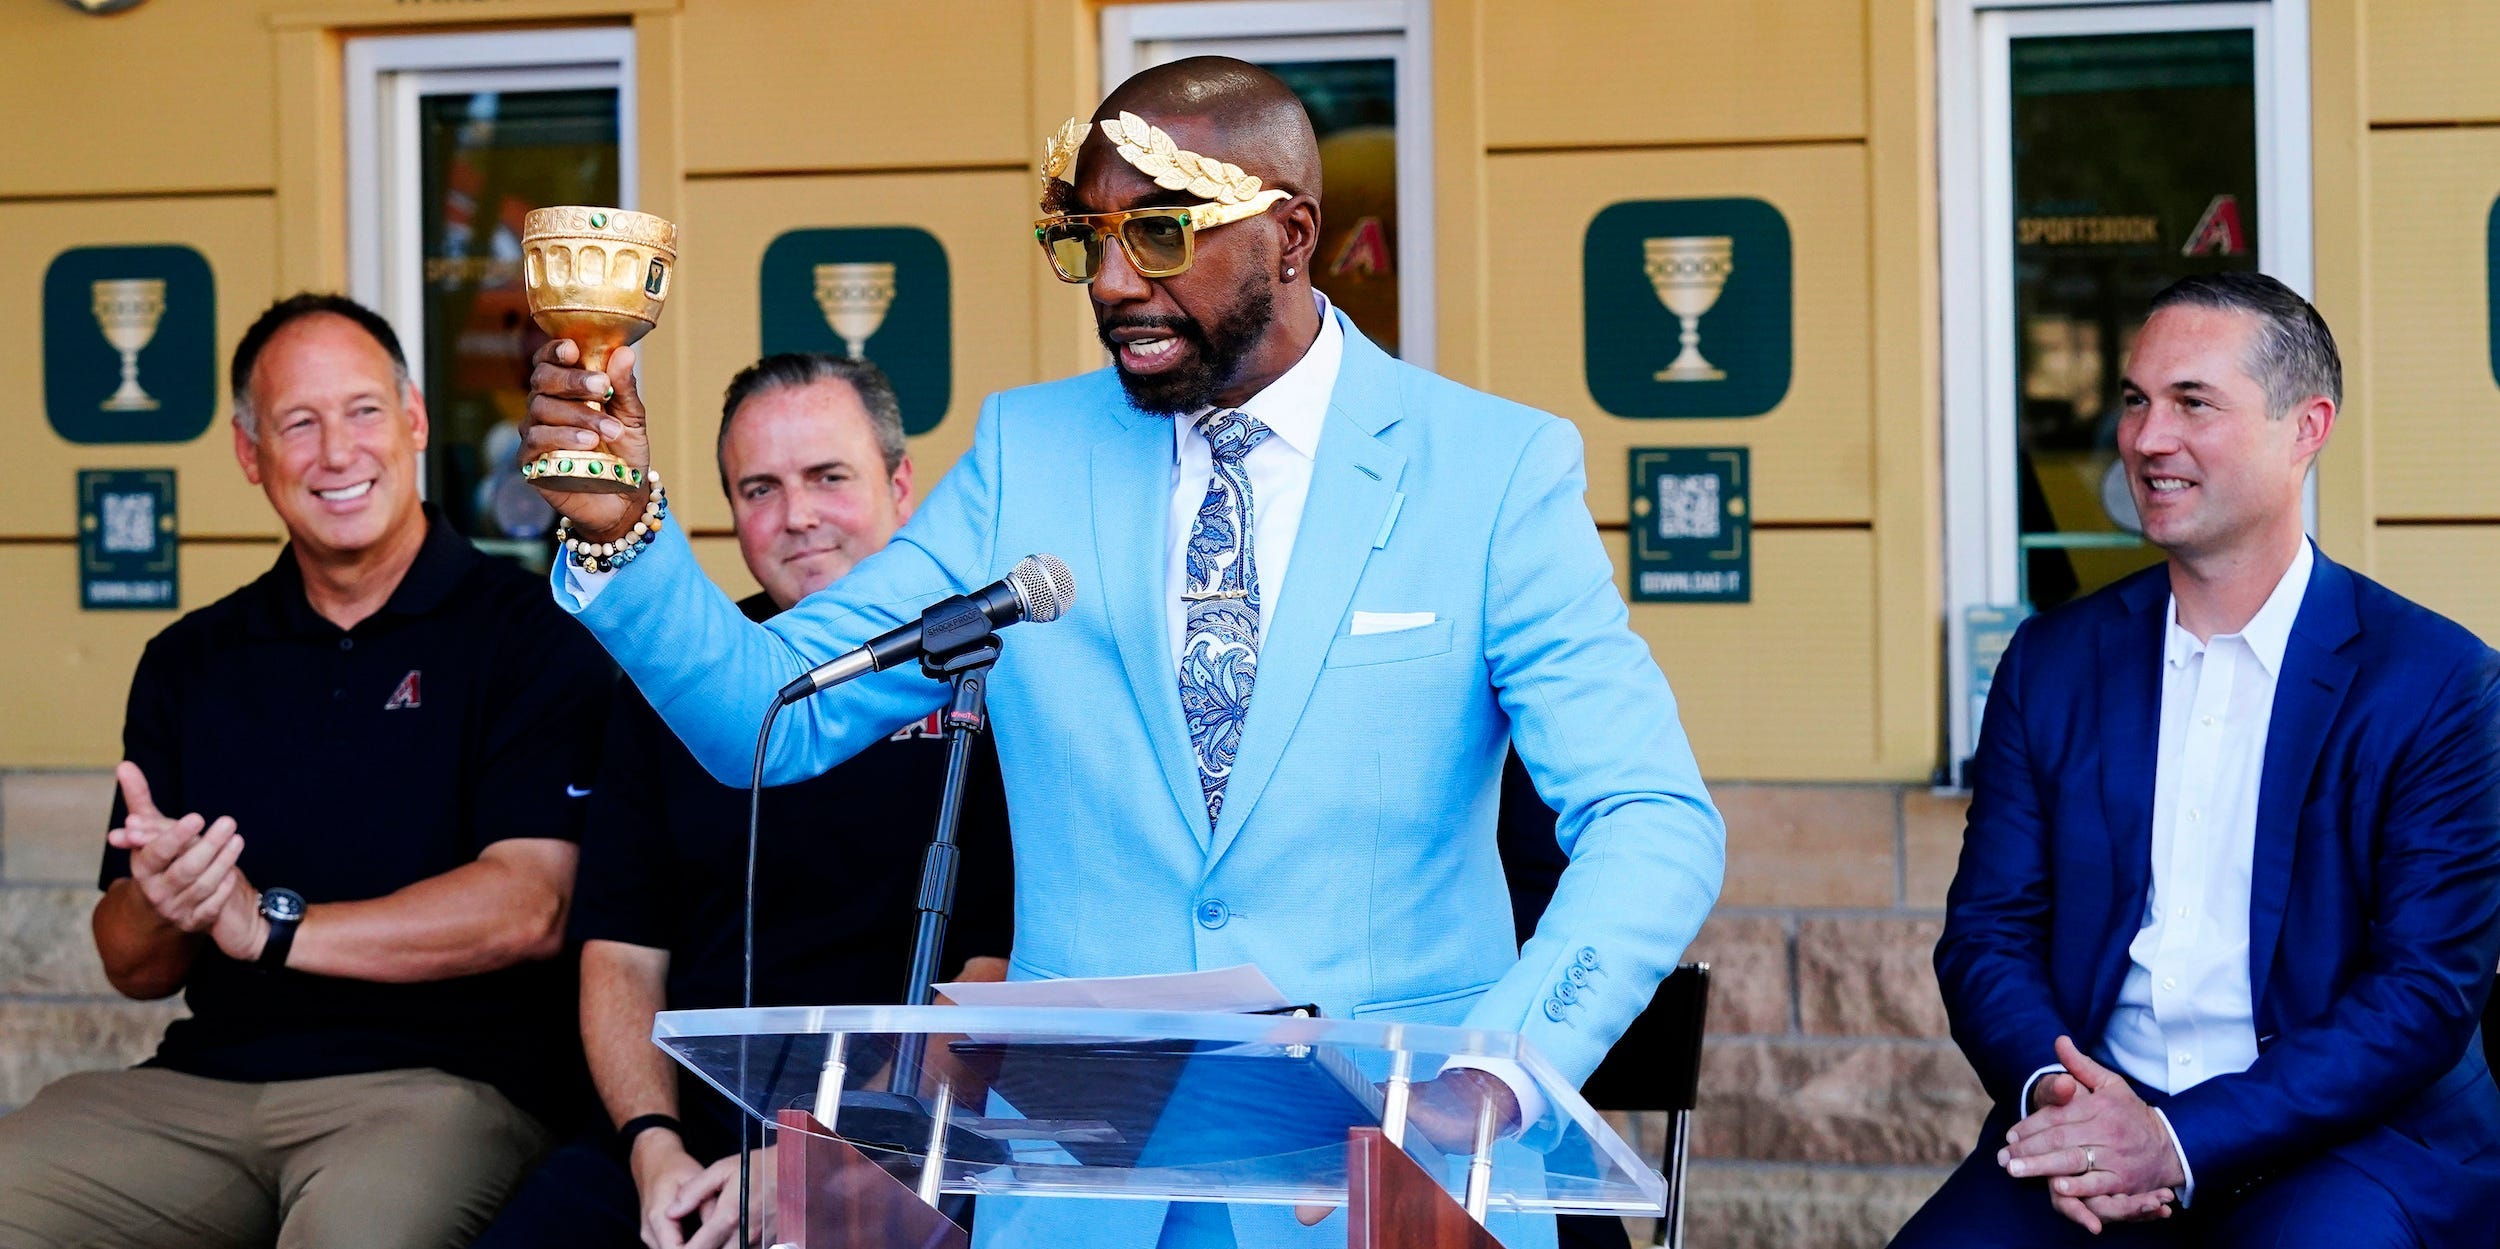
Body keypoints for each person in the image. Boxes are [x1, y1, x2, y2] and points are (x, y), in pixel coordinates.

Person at [520, 57, 1725, 1249]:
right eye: (1084, 240)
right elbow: (765, 714)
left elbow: (1654, 818)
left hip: (1380, 1185)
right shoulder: (1024, 453)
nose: (1109, 283)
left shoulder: (1489, 468)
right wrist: (623, 528)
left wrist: (1495, 1077)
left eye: (1157, 234)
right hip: (1085, 1193)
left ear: (1291, 234)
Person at [1892, 272, 2500, 1248]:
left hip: (2344, 1145)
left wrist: (2175, 1140)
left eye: (2191, 403)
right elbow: (1987, 935)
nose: (2145, 438)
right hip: (2093, 1122)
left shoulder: (2434, 682)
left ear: (2306, 428)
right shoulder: (2053, 662)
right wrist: (2063, 1097)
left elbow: (2424, 992)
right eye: (2134, 400)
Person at [0, 294, 608, 1249]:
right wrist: (165, 897)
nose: (337, 451)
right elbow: (133, 966)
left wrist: (269, 927)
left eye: (364, 411)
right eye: (298, 423)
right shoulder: (191, 659)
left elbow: (530, 905)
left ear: (413, 420)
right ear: (251, 456)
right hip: (203, 1088)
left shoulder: (532, 633)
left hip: (441, 1093)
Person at [472, 353, 1014, 1249]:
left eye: (828, 478)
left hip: (899, 1142)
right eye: (759, 488)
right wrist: (655, 1150)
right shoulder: (681, 682)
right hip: (693, 1139)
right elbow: (623, 954)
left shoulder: (982, 674)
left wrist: (827, 1158)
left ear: (903, 485)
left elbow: (992, 977)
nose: (797, 516)